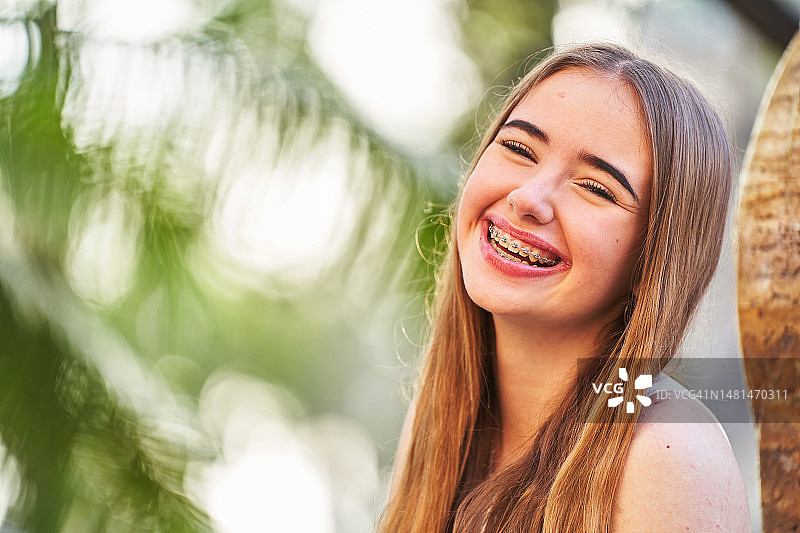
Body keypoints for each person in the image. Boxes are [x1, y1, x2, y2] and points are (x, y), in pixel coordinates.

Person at [379, 43, 750, 532]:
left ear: (654, 260)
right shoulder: (442, 424)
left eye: (596, 188)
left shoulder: (667, 452)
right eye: (519, 149)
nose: (528, 198)